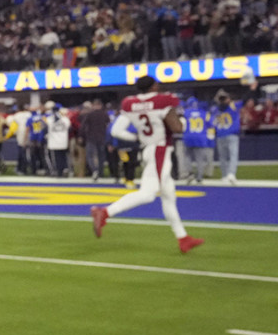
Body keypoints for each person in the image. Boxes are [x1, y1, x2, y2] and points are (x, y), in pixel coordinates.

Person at [91, 76, 203, 253]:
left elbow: (116, 131)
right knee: (148, 194)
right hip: (160, 150)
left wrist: (136, 138)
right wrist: (183, 121)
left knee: (169, 196)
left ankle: (183, 238)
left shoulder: (130, 103)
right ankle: (105, 212)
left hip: (148, 148)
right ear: (154, 86)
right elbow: (177, 128)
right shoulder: (163, 100)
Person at [212, 90, 241, 184]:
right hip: (231, 134)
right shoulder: (232, 106)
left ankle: (224, 175)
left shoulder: (216, 109)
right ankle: (231, 174)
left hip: (220, 134)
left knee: (222, 157)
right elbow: (245, 99)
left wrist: (218, 99)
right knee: (233, 155)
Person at [183, 98, 215, 184]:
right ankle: (199, 177)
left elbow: (182, 123)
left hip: (188, 136)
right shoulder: (204, 113)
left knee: (187, 157)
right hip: (200, 137)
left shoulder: (185, 112)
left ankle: (190, 174)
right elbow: (211, 124)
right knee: (199, 159)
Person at [80, 99, 110, 181]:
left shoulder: (90, 114)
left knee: (90, 156)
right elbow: (109, 126)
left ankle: (95, 170)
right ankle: (100, 172)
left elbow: (83, 127)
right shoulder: (104, 114)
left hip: (91, 138)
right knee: (101, 156)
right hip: (102, 138)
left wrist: (82, 136)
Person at [44, 103, 71, 177]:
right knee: (63, 157)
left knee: (56, 159)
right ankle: (64, 170)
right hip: (63, 142)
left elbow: (45, 129)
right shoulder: (65, 119)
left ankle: (58, 172)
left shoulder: (49, 119)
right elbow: (69, 128)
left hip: (54, 142)